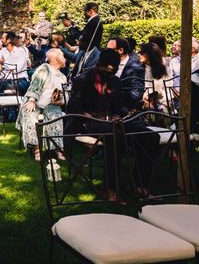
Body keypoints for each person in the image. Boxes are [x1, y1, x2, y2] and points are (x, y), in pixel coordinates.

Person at [68, 49, 159, 200]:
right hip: (90, 122)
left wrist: (127, 113)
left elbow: (120, 105)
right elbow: (74, 110)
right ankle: (110, 188)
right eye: (108, 71)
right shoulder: (82, 80)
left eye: (114, 71)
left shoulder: (115, 81)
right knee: (116, 136)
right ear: (99, 65)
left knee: (150, 136)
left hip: (114, 121)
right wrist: (100, 119)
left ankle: (139, 184)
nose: (110, 75)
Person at [16, 48, 67, 161]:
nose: (65, 58)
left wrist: (60, 101)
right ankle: (37, 148)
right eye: (63, 56)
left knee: (56, 117)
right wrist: (32, 99)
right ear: (57, 58)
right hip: (34, 101)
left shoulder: (63, 77)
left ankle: (57, 148)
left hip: (50, 105)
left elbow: (65, 95)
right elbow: (36, 83)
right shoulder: (45, 68)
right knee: (31, 115)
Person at [106, 37, 144, 114]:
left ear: (120, 50)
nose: (106, 53)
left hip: (125, 112)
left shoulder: (135, 68)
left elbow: (135, 94)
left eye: (109, 50)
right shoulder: (107, 65)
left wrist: (112, 95)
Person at [139, 42, 170, 112]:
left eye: (142, 53)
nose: (139, 54)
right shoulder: (139, 70)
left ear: (150, 54)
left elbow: (168, 90)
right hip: (145, 104)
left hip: (163, 103)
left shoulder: (164, 70)